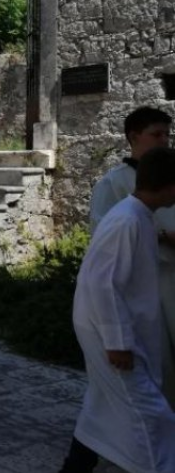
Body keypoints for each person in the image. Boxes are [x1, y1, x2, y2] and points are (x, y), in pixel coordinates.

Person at [53, 147, 175, 473]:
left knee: (104, 404)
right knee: (151, 417)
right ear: (168, 186)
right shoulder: (126, 221)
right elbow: (102, 285)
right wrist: (117, 342)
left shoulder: (138, 217)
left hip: (117, 329)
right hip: (108, 332)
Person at [89, 106, 175, 409]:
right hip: (145, 286)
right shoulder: (114, 183)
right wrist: (164, 237)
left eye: (167, 134)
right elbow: (103, 238)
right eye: (156, 134)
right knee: (156, 364)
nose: (164, 140)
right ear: (133, 137)